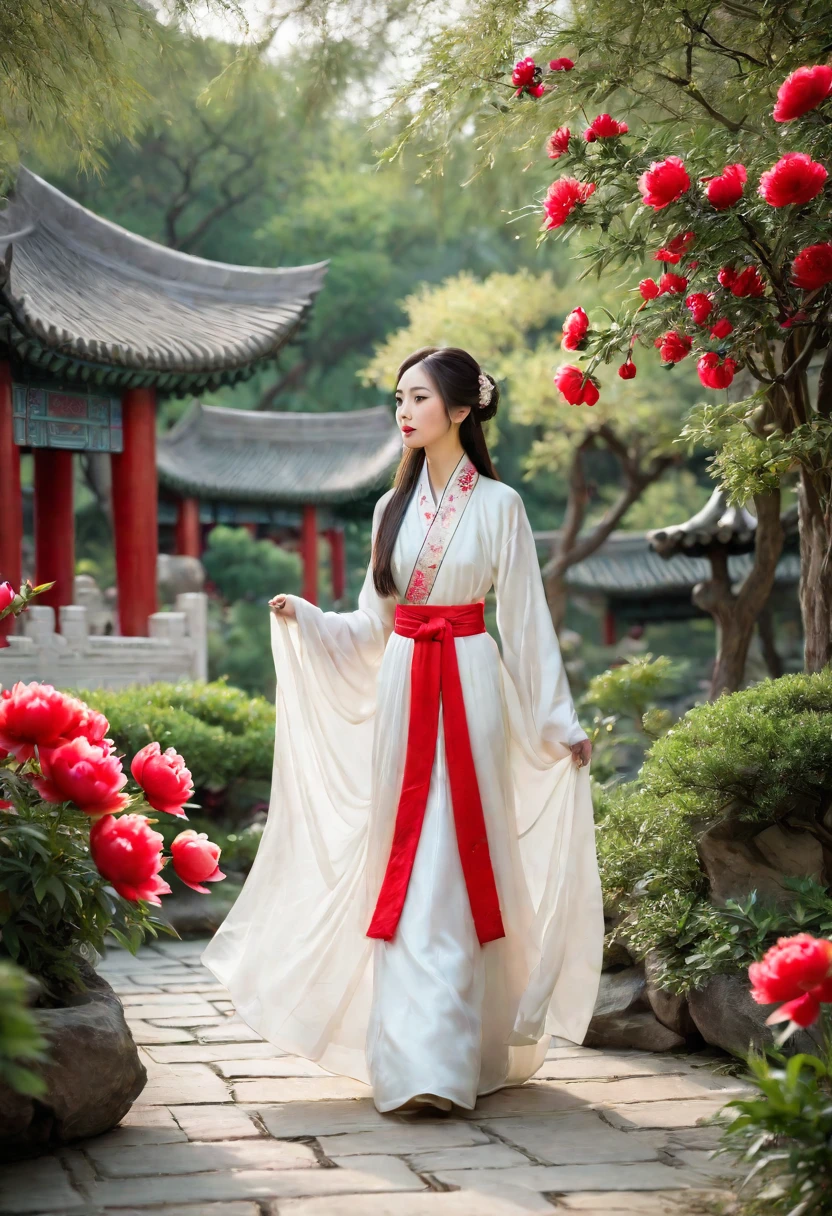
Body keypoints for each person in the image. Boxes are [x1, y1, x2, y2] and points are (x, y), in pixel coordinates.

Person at [201, 346, 604, 1114]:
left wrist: (559, 720)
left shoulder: (501, 505)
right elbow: (374, 626)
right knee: (407, 860)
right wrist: (311, 621)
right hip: (404, 688)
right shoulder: (391, 510)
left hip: (472, 683)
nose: (403, 410)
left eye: (417, 397)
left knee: (455, 859)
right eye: (398, 397)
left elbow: (523, 620)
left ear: (460, 410)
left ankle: (447, 1064)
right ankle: (412, 1061)